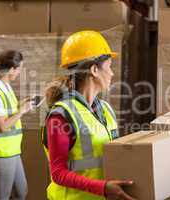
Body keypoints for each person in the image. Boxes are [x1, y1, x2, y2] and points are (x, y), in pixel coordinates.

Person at [42, 31, 136, 200]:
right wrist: (103, 188)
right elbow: (58, 173)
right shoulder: (61, 116)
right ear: (94, 70)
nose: (112, 73)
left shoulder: (105, 109)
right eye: (109, 66)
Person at [0, 50, 33, 200]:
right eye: (19, 69)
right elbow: (2, 126)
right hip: (2, 151)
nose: (19, 72)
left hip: (12, 149)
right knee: (4, 195)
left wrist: (22, 104)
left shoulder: (6, 86)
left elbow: (8, 111)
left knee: (21, 192)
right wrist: (21, 111)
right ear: (11, 69)